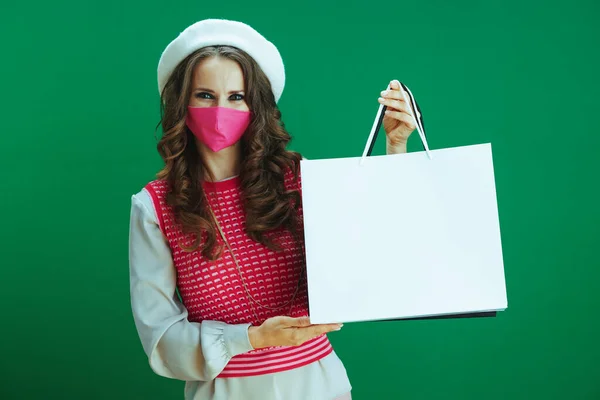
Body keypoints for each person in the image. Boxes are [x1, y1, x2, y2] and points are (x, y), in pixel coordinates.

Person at [128, 18, 416, 400]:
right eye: (205, 95)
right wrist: (251, 337)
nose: (220, 108)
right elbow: (160, 336)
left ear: (256, 104)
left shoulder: (298, 180)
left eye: (236, 96)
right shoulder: (154, 207)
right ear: (181, 102)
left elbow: (373, 249)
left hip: (319, 386)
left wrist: (396, 149)